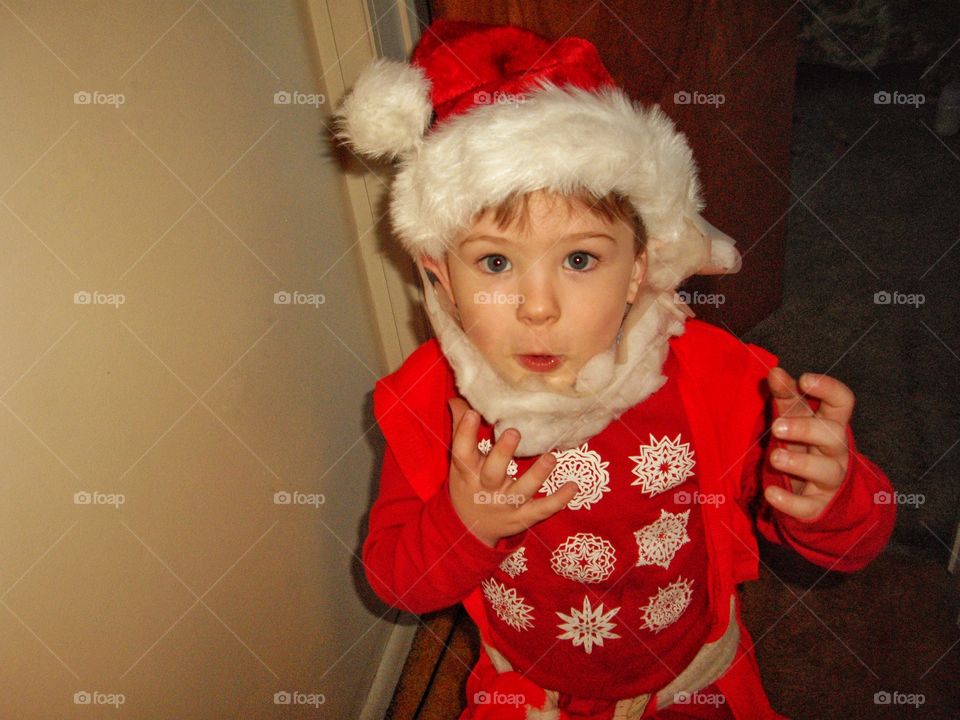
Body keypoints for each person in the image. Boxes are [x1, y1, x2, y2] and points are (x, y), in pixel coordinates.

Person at [334, 19, 896, 720]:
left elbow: (853, 543)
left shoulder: (717, 375)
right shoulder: (428, 401)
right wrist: (463, 522)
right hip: (530, 692)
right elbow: (395, 581)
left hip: (691, 680)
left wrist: (832, 495)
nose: (537, 307)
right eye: (495, 262)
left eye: (580, 260)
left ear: (640, 269)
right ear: (438, 275)